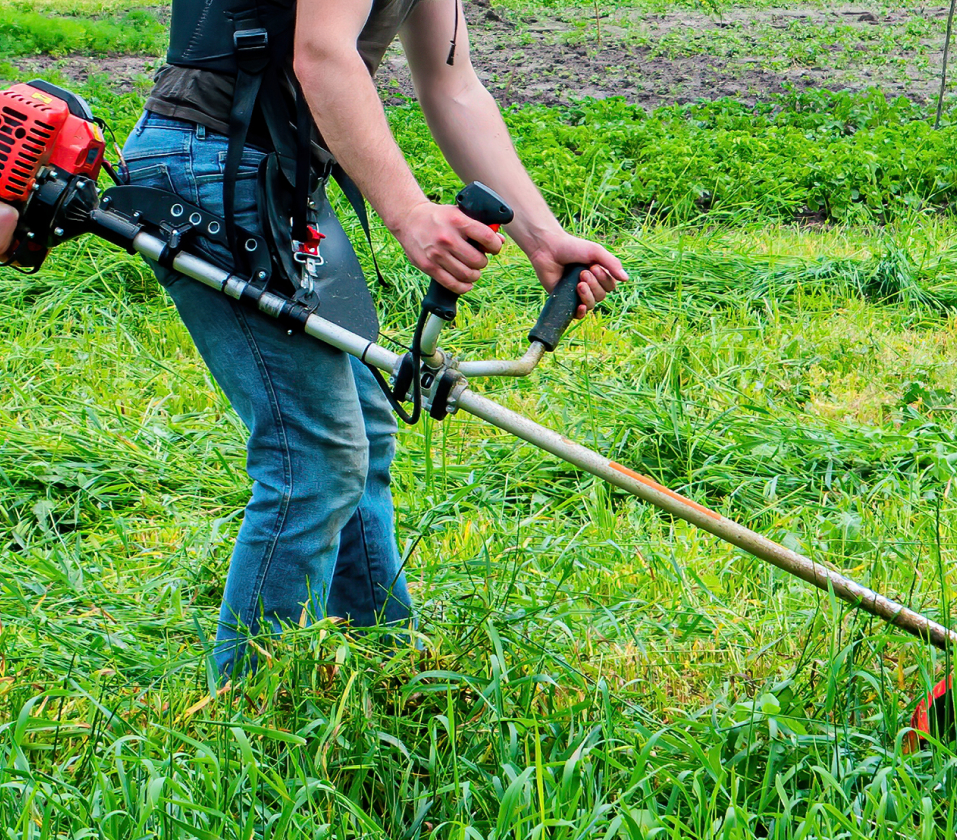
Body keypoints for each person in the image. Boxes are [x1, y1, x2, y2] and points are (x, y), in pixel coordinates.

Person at [120, 0, 626, 682]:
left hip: (271, 162)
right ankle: (249, 726)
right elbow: (322, 54)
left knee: (360, 428)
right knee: (313, 457)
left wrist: (543, 236)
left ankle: (383, 671)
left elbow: (453, 85)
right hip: (218, 158)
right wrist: (411, 214)